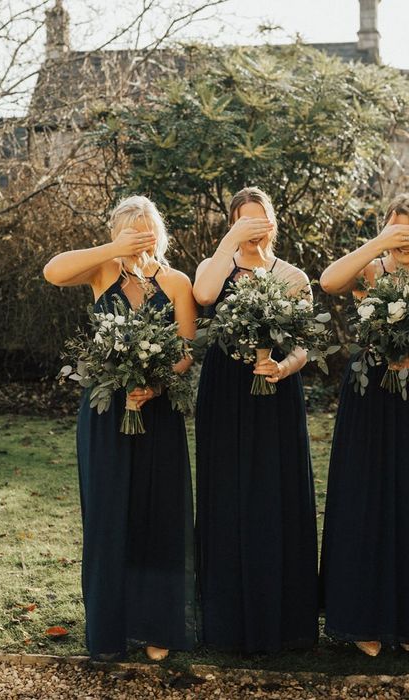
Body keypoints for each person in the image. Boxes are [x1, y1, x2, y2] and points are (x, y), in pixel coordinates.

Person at [44, 195, 197, 660]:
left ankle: (157, 628)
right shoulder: (102, 272)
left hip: (159, 415)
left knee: (158, 514)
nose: (138, 237)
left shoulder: (176, 281)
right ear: (116, 232)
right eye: (129, 229)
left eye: (146, 229)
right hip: (106, 413)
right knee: (109, 517)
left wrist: (154, 385)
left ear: (159, 233)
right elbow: (53, 271)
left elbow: (186, 351)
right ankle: (110, 629)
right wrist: (113, 250)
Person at [193, 186, 319, 653]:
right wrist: (231, 242)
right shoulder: (216, 267)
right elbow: (204, 295)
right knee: (226, 494)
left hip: (276, 396)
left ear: (274, 222)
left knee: (275, 494)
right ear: (232, 223)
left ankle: (283, 621)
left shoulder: (292, 275)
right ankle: (227, 620)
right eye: (243, 220)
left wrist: (284, 367)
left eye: (260, 219)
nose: (253, 228)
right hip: (225, 394)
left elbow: (304, 343)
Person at [319, 195, 409, 657]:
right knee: (366, 495)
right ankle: (361, 618)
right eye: (399, 230)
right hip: (369, 392)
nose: (404, 239)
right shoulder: (371, 270)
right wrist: (378, 243)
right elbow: (329, 280)